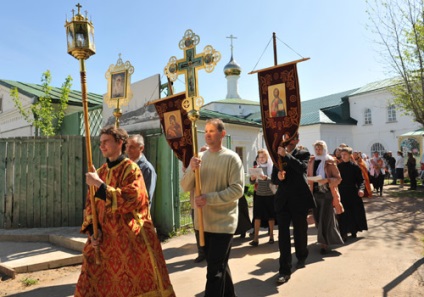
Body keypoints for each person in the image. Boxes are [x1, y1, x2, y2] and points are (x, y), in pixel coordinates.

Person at [74, 125, 174, 297]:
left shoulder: (132, 169)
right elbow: (91, 206)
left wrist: (99, 184)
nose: (102, 146)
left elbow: (133, 199)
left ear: (120, 143)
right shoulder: (100, 172)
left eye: (106, 142)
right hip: (104, 241)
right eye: (100, 143)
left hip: (129, 240)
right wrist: (93, 233)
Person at [180, 118, 244, 297]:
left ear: (222, 134)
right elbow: (185, 186)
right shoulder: (199, 159)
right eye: (206, 131)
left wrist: (209, 198)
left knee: (214, 272)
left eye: (212, 131)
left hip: (223, 223)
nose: (207, 134)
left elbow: (237, 190)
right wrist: (191, 170)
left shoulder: (232, 158)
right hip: (202, 223)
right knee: (219, 265)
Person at [271, 133, 316, 285]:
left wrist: (287, 156)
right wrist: (279, 177)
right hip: (283, 201)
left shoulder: (303, 153)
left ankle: (302, 256)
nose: (287, 142)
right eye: (285, 139)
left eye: (291, 139)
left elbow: (302, 168)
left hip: (299, 200)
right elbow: (273, 178)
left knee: (300, 230)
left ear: (296, 140)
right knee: (283, 235)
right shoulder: (277, 155)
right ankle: (284, 270)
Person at [307, 140, 344, 254]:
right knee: (318, 219)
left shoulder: (330, 161)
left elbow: (338, 179)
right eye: (316, 149)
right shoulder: (312, 161)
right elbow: (308, 176)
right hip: (315, 194)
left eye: (320, 149)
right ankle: (327, 239)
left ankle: (324, 244)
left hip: (327, 194)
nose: (318, 151)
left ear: (324, 149)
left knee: (324, 219)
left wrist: (327, 180)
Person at [337, 146, 368, 242]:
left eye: (345, 154)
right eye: (342, 155)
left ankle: (354, 230)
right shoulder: (338, 167)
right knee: (343, 213)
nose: (343, 156)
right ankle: (344, 233)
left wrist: (361, 189)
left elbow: (361, 180)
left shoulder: (355, 167)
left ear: (350, 155)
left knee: (353, 212)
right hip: (342, 193)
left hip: (353, 193)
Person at [249, 148, 276, 246]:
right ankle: (255, 238)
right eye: (260, 157)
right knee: (257, 216)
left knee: (271, 216)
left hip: (270, 195)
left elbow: (275, 181)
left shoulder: (272, 167)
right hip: (259, 194)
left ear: (267, 157)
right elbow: (251, 182)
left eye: (263, 157)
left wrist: (266, 178)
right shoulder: (257, 167)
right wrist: (252, 178)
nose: (261, 159)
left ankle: (271, 236)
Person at [126, 134, 157, 208]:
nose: (128, 150)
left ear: (141, 148)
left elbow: (146, 197)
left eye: (132, 147)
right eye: (127, 146)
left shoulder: (147, 169)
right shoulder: (126, 165)